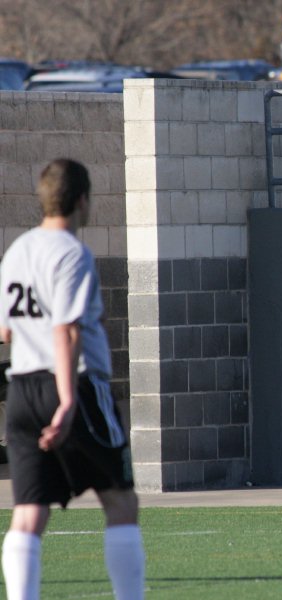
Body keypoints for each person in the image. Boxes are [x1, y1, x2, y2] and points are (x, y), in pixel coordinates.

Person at [0, 159, 145, 599]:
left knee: (29, 513)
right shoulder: (71, 252)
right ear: (83, 201)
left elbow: (5, 330)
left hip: (22, 387)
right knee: (120, 501)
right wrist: (66, 401)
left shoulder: (18, 250)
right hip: (74, 387)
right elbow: (67, 330)